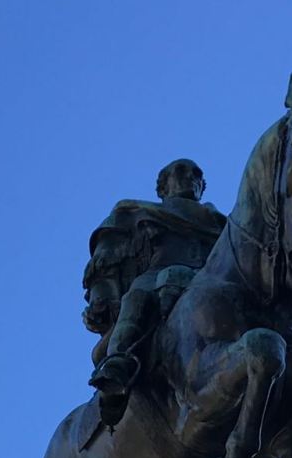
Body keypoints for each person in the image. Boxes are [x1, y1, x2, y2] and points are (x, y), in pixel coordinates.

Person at [83, 159, 226, 425]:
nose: (190, 178)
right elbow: (104, 262)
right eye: (181, 171)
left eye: (197, 175)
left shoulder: (223, 224)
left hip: (211, 281)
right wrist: (100, 301)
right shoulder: (135, 213)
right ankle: (118, 365)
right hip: (155, 277)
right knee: (135, 299)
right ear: (162, 187)